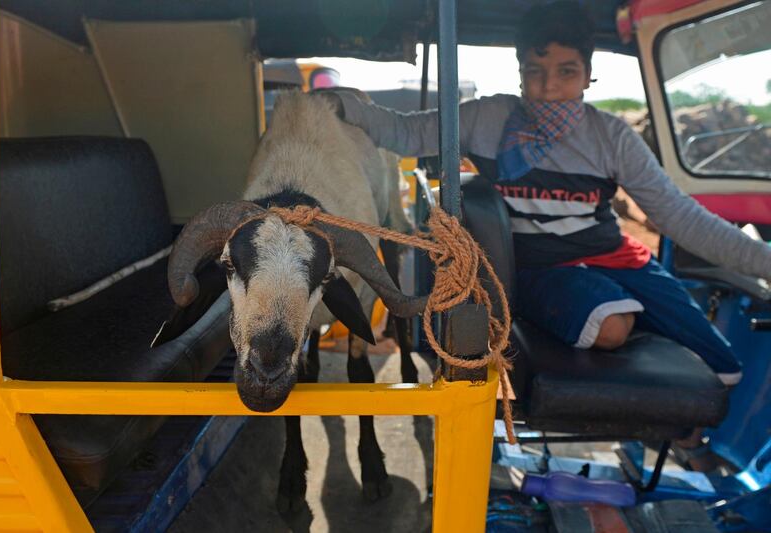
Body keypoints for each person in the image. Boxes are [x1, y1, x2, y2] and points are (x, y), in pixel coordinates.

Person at [323, 1, 771, 390]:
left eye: (566, 72)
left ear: (589, 76)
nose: (549, 86)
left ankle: (688, 450)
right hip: (540, 267)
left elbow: (682, 218)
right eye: (534, 72)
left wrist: (762, 259)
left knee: (723, 366)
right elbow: (406, 132)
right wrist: (345, 106)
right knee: (613, 327)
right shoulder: (491, 117)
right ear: (519, 74)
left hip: (618, 258)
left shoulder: (610, 136)